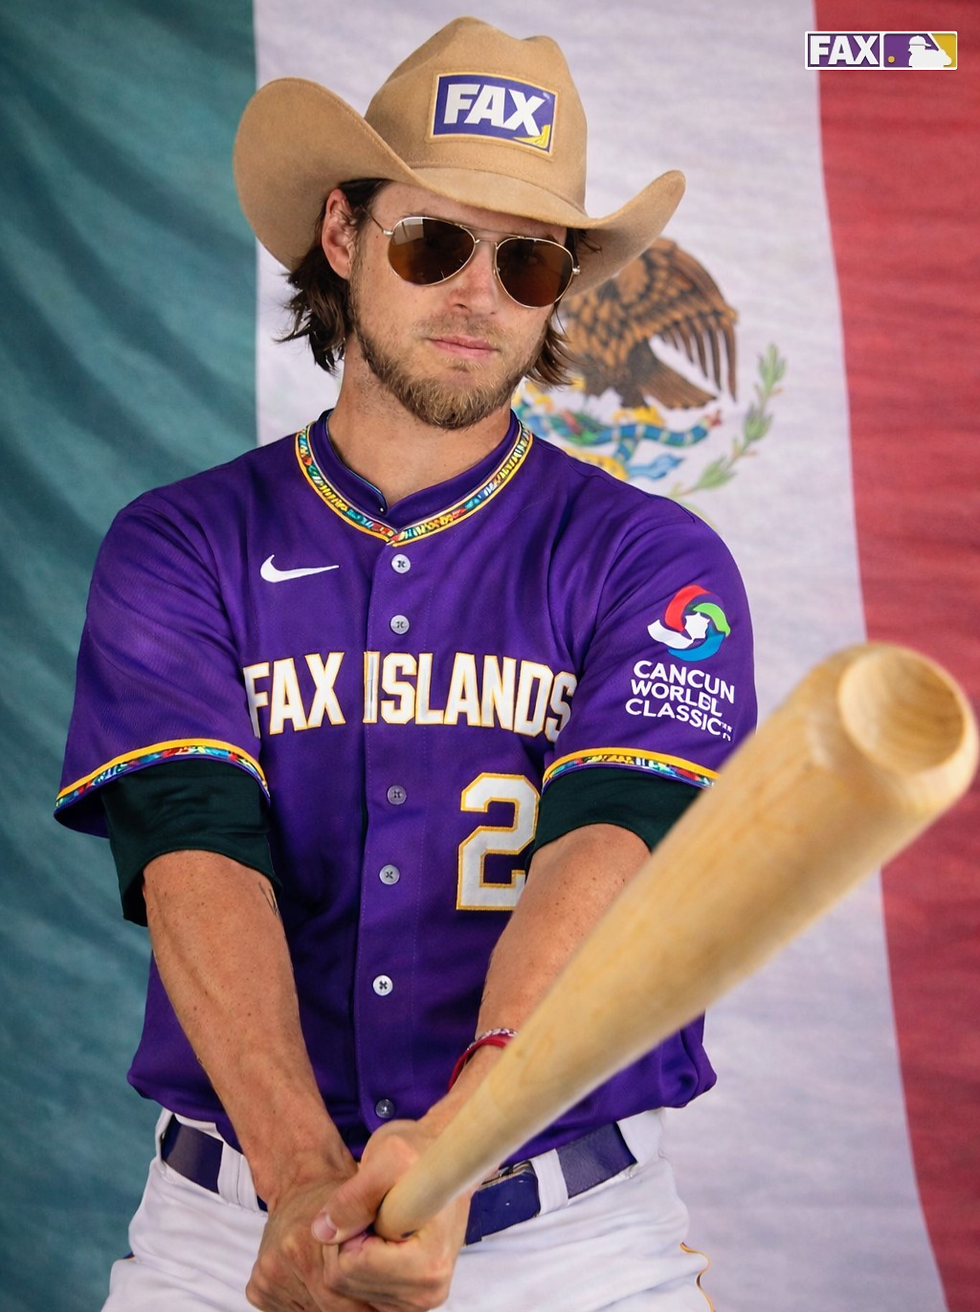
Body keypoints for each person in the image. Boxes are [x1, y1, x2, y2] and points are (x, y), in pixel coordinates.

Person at [56, 17, 756, 1312]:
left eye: (529, 260)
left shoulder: (653, 560)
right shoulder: (182, 544)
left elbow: (613, 857)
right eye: (435, 242)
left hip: (572, 1245)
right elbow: (194, 856)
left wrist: (460, 1143)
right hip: (239, 1226)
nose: (478, 293)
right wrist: (309, 1186)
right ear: (342, 238)